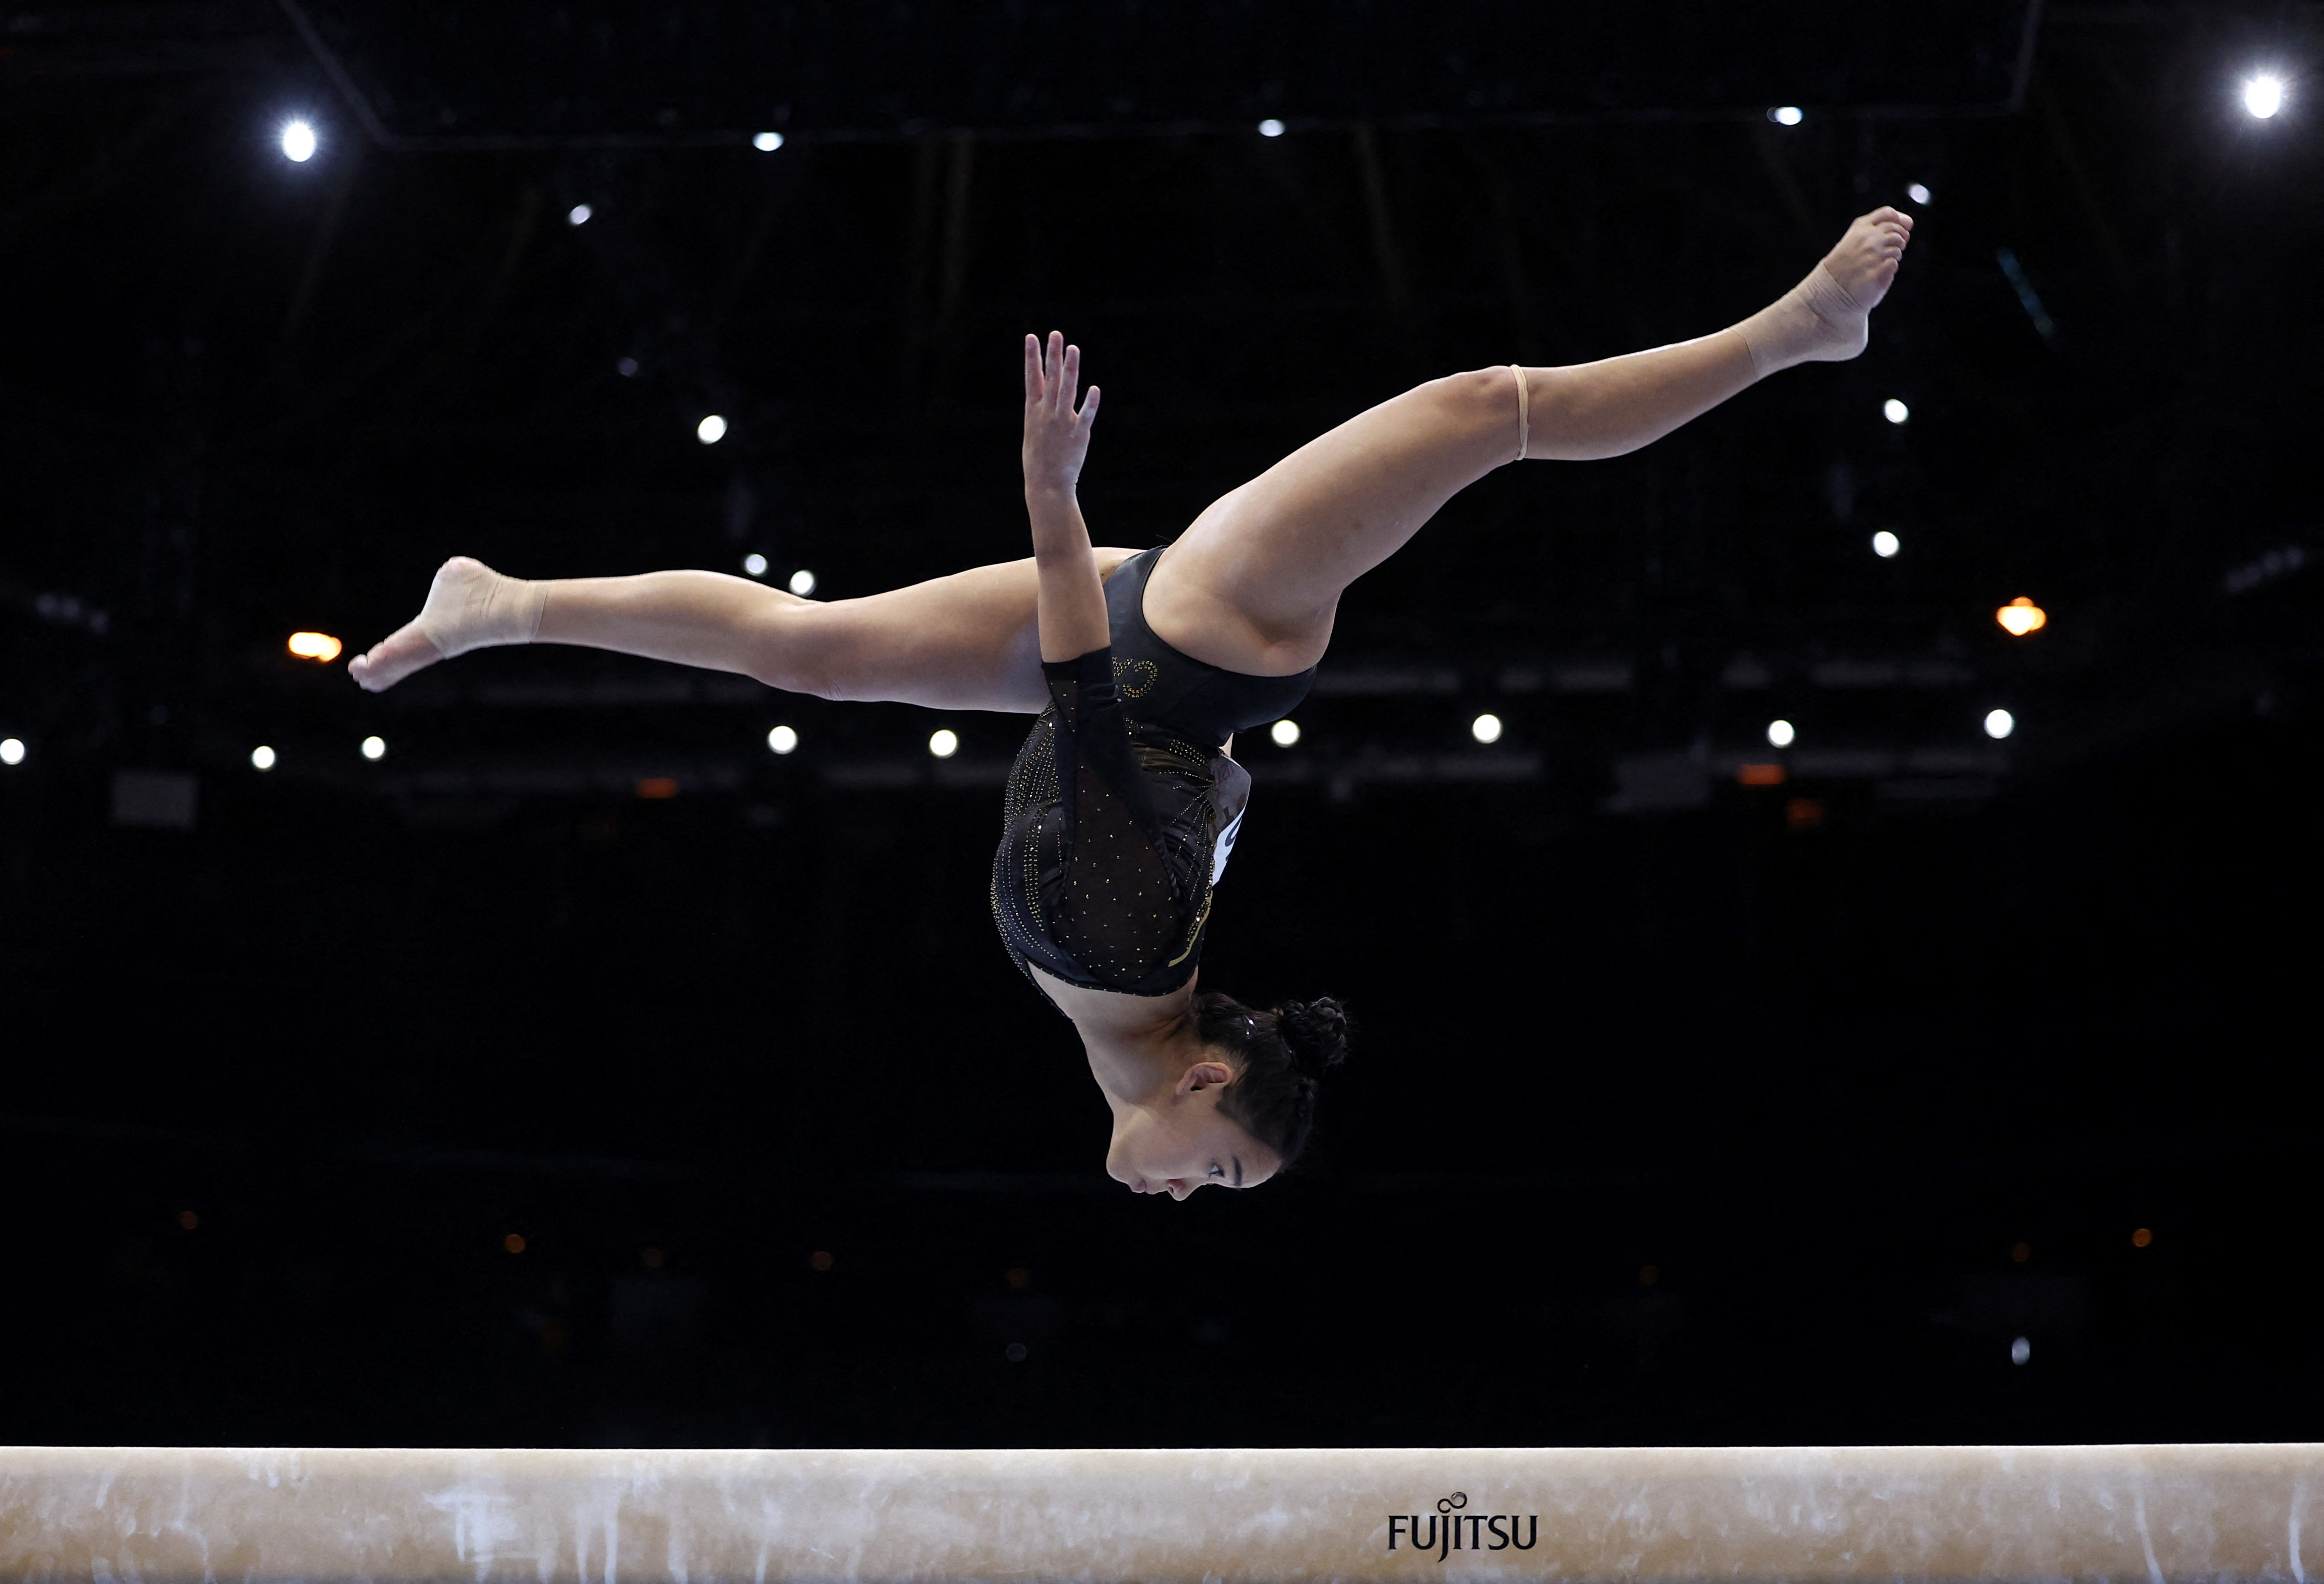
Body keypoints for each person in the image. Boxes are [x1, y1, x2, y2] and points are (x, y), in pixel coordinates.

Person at [350, 207, 1913, 1198]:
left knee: (808, 652)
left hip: (1121, 649)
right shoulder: (1127, 953)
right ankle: (1795, 337)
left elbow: (1074, 695)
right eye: (1223, 1177)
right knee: (1479, 415)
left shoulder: (1121, 978)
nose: (1193, 1198)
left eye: (1216, 1185)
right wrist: (1048, 504)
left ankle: (506, 605)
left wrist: (1054, 507)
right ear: (1208, 1079)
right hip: (1203, 633)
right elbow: (1080, 694)